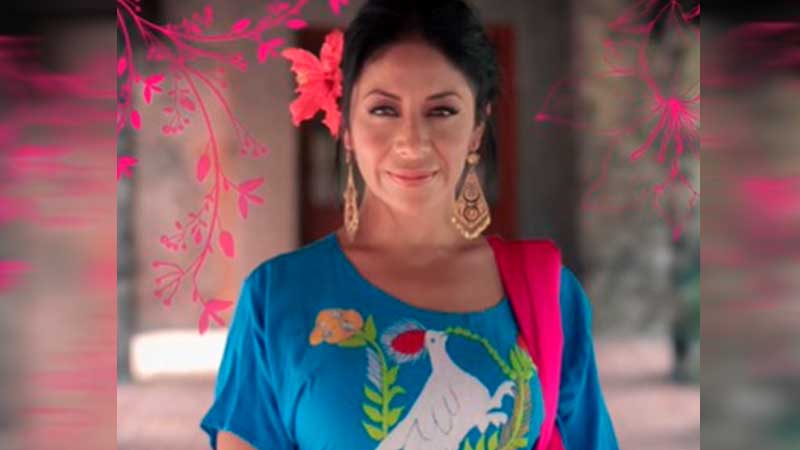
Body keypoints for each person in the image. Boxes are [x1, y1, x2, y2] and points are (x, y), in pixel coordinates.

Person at [200, 1, 619, 449]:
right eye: (384, 110)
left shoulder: (548, 296)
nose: (412, 142)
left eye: (442, 111)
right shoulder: (277, 299)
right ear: (346, 127)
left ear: (477, 128)